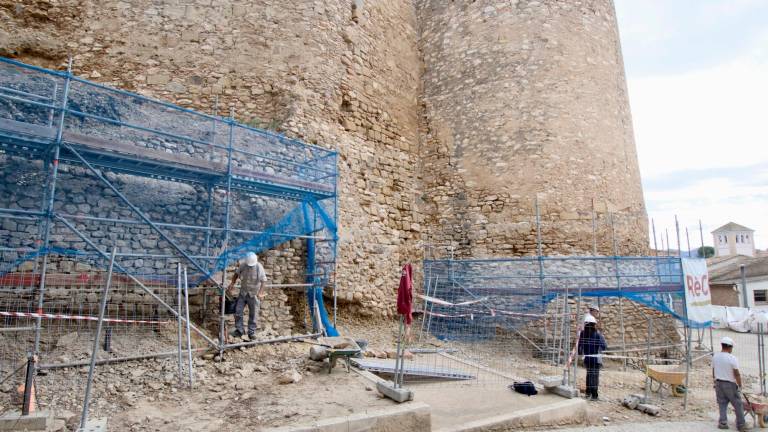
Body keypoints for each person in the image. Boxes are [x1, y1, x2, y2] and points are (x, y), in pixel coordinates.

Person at [227, 252, 267, 340]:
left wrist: (260, 292)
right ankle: (239, 330)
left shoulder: (259, 267)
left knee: (253, 314)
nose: (250, 266)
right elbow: (236, 274)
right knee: (238, 311)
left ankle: (251, 332)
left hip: (253, 294)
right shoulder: (243, 265)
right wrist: (232, 283)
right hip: (243, 292)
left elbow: (264, 281)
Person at [713, 336, 747, 431]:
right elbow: (736, 373)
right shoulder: (732, 358)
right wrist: (740, 385)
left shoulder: (715, 356)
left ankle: (723, 422)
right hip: (729, 384)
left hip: (718, 383)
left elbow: (713, 369)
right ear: (729, 347)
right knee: (738, 404)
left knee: (722, 403)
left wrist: (714, 381)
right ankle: (741, 425)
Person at [578, 315, 607, 400]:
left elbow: (580, 347)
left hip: (587, 359)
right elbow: (604, 346)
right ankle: (594, 395)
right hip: (596, 359)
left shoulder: (583, 334)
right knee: (594, 376)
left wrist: (582, 353)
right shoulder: (597, 335)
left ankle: (588, 393)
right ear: (594, 324)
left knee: (589, 375)